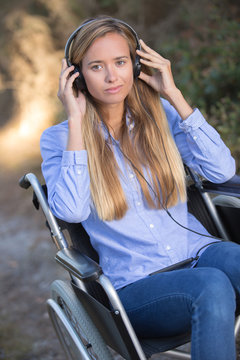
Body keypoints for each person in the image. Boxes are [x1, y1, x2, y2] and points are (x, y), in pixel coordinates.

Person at [40, 16, 239, 360]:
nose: (112, 76)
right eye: (96, 66)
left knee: (223, 270)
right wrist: (75, 120)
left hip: (196, 252)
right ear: (77, 76)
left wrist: (173, 94)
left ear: (135, 64)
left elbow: (222, 169)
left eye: (120, 62)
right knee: (212, 285)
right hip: (135, 287)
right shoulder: (59, 138)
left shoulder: (160, 114)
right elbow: (70, 211)